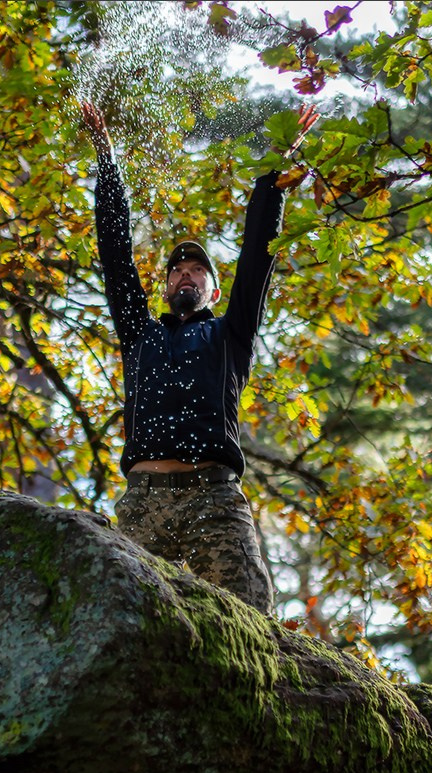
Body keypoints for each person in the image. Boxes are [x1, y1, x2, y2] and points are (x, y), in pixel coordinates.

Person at [81, 100, 316, 614]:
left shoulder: (230, 335)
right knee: (125, 619)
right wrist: (107, 160)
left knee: (250, 615)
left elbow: (257, 255)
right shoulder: (140, 334)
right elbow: (115, 254)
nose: (184, 274)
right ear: (166, 288)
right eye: (176, 271)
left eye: (196, 270)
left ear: (213, 291)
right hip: (144, 500)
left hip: (214, 495)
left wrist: (273, 176)